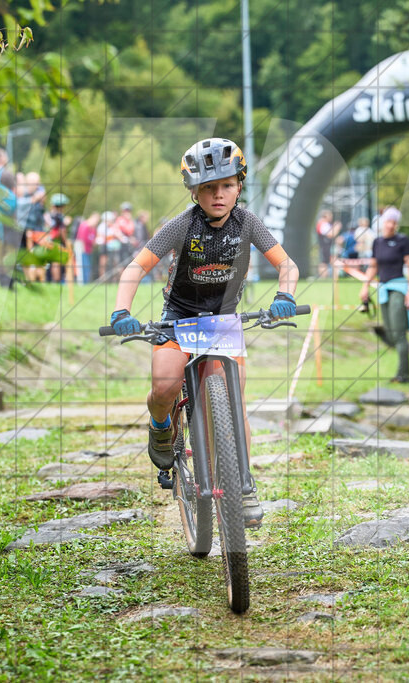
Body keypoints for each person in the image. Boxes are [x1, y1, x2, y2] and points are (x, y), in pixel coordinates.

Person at [108, 137, 299, 529]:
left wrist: (285, 295)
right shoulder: (182, 225)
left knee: (233, 401)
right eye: (209, 187)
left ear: (239, 186)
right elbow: (135, 267)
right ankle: (161, 426)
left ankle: (243, 485)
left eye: (227, 185)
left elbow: (287, 265)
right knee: (164, 386)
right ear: (194, 191)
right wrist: (121, 310)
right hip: (178, 319)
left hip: (223, 322)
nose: (218, 194)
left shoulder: (249, 223)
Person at [358, 206, 409, 384]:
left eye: (394, 222)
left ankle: (404, 376)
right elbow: (373, 266)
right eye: (388, 221)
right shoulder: (377, 242)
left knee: (399, 333)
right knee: (391, 333)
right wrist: (365, 286)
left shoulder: (403, 241)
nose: (391, 225)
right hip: (383, 289)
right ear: (383, 222)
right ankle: (399, 364)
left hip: (398, 289)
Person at [74, 212, 99, 284]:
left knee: (87, 267)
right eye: (96, 221)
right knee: (82, 266)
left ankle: (86, 282)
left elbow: (93, 238)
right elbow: (82, 239)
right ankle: (82, 282)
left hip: (89, 250)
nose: (96, 223)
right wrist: (83, 250)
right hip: (82, 250)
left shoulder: (93, 228)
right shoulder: (84, 226)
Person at [314, 210, 337, 278]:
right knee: (324, 262)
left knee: (328, 260)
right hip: (325, 245)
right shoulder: (323, 224)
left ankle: (330, 276)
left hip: (327, 245)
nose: (331, 217)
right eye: (330, 215)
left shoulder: (323, 223)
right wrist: (336, 227)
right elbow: (331, 234)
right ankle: (323, 277)